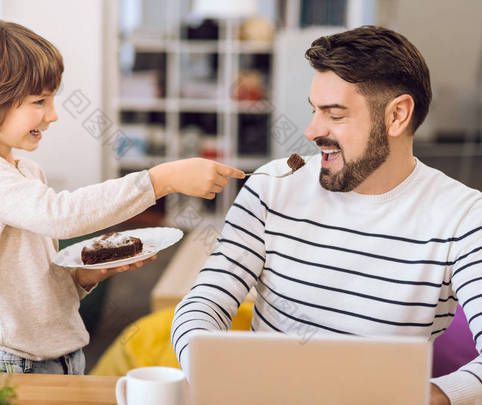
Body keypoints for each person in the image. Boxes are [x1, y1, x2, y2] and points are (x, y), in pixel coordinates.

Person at [171, 25, 481, 405]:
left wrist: (430, 396)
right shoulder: (272, 185)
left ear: (397, 115)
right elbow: (203, 303)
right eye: (314, 110)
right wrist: (208, 372)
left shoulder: (464, 218)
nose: (312, 130)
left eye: (334, 114)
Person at [0, 18, 244, 375]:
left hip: (62, 356)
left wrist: (81, 279)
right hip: (8, 363)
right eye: (39, 101)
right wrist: (161, 180)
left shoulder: (26, 171)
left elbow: (32, 278)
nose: (52, 115)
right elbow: (60, 214)